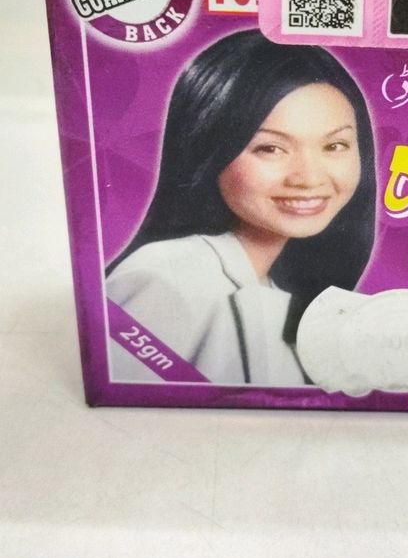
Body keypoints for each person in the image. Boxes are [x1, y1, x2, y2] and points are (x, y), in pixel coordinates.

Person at [106, 29, 376, 386]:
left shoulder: (279, 291)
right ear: (207, 148)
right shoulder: (166, 278)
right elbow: (127, 399)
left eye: (335, 146)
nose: (309, 178)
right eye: (270, 149)